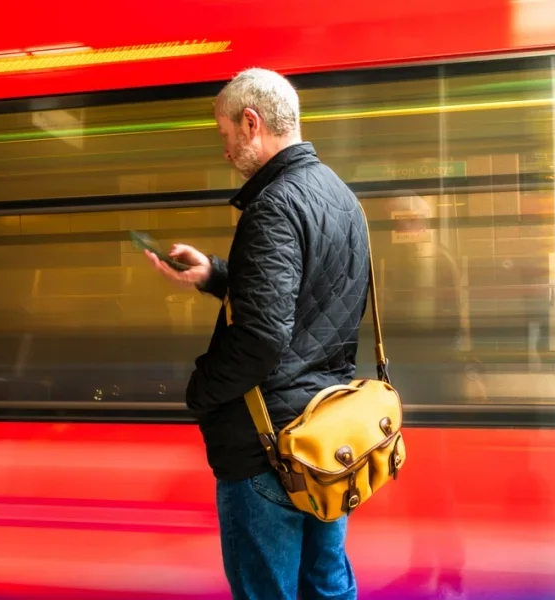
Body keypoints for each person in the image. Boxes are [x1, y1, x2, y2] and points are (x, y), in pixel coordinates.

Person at [145, 68, 369, 600]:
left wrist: (201, 392)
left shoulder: (273, 206)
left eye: (225, 135)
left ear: (252, 123)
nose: (225, 150)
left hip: (269, 448)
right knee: (327, 586)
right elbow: (310, 301)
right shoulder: (342, 198)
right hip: (326, 436)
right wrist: (215, 275)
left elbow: (263, 336)